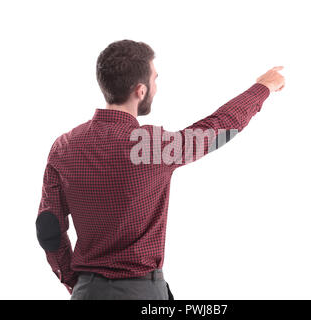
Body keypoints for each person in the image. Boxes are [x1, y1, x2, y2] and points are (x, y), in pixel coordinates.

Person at [35, 39, 285, 300]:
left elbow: (48, 228)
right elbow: (219, 127)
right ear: (140, 91)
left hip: (87, 291)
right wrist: (263, 87)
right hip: (142, 293)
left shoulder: (64, 146)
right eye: (155, 78)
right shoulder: (152, 146)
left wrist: (76, 283)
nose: (157, 85)